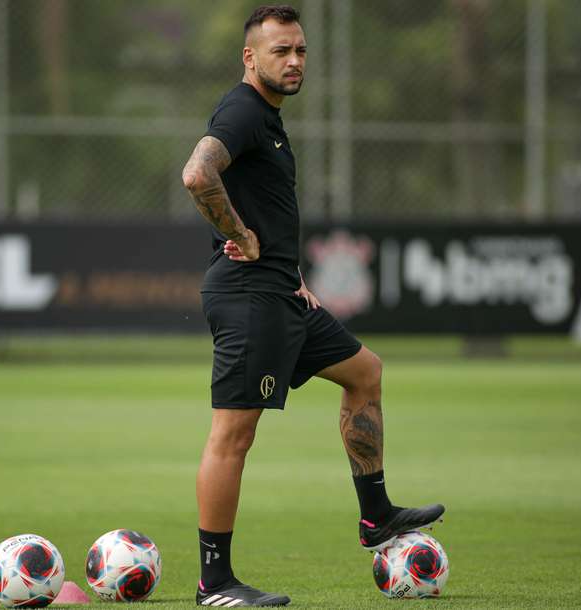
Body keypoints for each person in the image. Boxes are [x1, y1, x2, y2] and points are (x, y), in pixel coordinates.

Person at [182, 5, 444, 607]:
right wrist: (243, 238)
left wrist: (286, 266)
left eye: (300, 50)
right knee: (233, 436)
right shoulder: (244, 110)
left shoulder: (268, 119)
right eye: (281, 51)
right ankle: (214, 583)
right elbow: (198, 175)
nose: (295, 60)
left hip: (280, 293)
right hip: (249, 298)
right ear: (251, 57)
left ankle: (375, 515)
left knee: (365, 372)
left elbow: (261, 199)